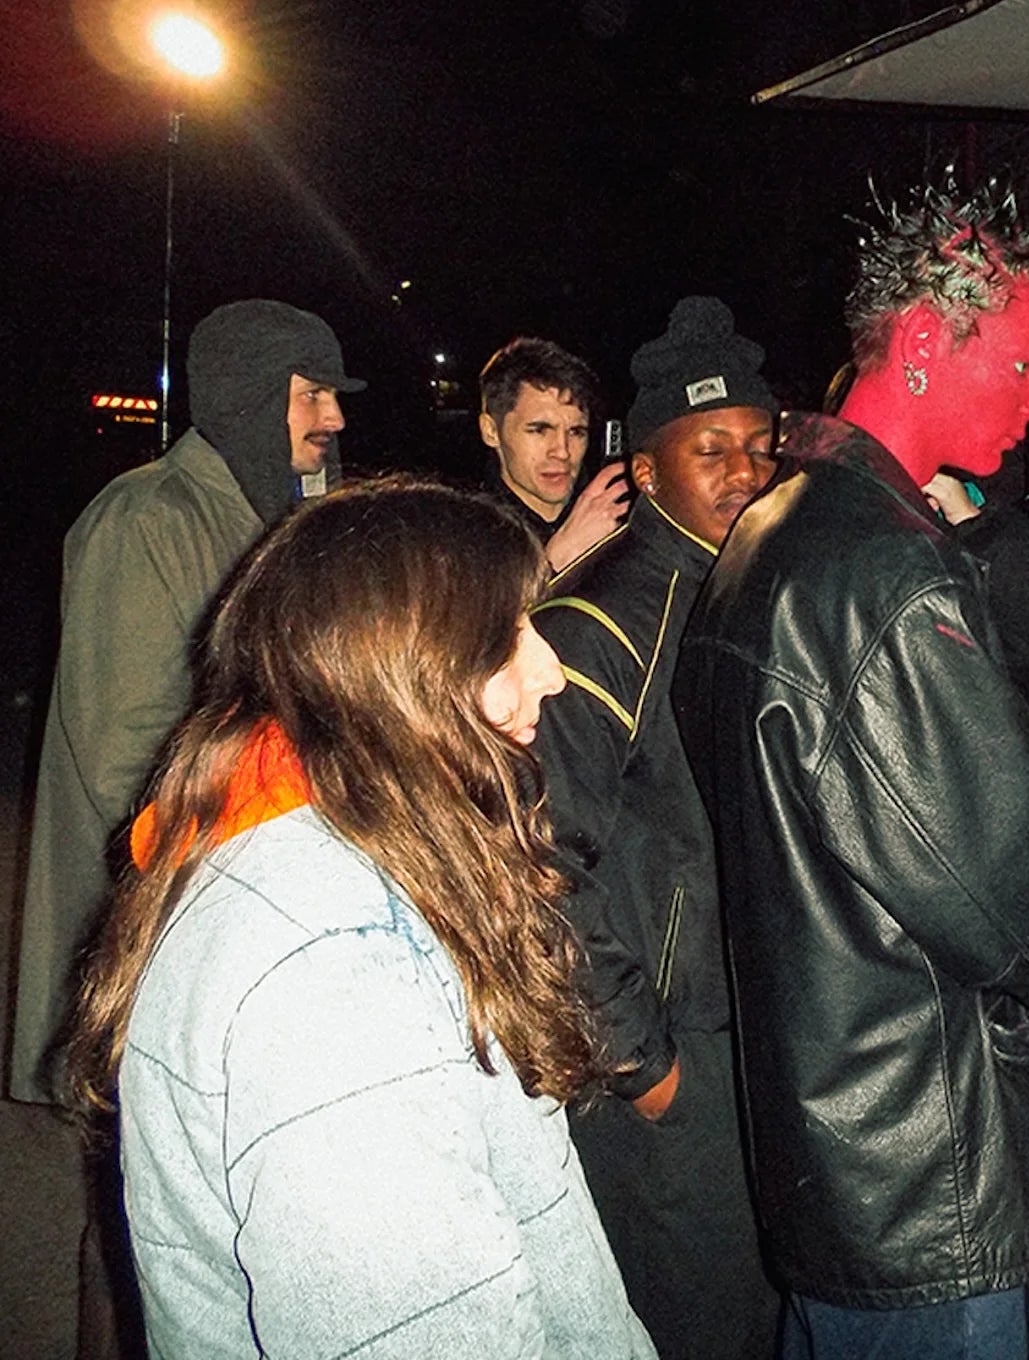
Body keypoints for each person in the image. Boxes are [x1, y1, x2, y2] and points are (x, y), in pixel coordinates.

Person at [64, 478, 657, 1360]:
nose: (552, 670)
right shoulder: (333, 974)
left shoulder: (324, 848)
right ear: (404, 671)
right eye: (510, 636)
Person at [674, 181, 1029, 1359]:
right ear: (922, 343)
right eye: (1024, 366)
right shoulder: (885, 572)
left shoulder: (772, 528)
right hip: (928, 1162)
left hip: (832, 1144)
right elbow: (1001, 881)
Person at [9, 298, 361, 1104]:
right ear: (249, 396)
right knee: (135, 1136)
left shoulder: (281, 516)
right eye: (312, 394)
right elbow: (123, 746)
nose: (335, 418)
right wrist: (231, 868)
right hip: (160, 894)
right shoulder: (146, 518)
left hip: (239, 881)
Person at [531, 296, 781, 1360]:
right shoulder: (598, 624)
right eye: (710, 449)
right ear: (644, 469)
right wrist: (643, 1065)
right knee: (689, 1321)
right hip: (668, 1055)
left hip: (754, 1033)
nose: (744, 472)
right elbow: (537, 862)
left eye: (760, 446)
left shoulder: (749, 592)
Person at [478, 335, 631, 573]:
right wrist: (555, 564)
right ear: (491, 431)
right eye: (539, 430)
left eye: (576, 432)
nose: (562, 451)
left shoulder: (620, 519)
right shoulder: (460, 539)